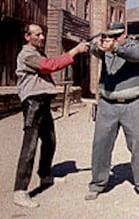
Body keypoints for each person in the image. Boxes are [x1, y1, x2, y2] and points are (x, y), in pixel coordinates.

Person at [13, 23, 90, 208]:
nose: (42, 37)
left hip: (42, 102)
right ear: (27, 36)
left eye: (42, 34)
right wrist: (75, 51)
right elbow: (50, 66)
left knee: (49, 141)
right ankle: (20, 191)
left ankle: (45, 176)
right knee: (29, 146)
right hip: (33, 103)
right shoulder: (28, 54)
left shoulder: (37, 53)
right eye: (37, 35)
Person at [85, 22, 139, 201]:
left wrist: (115, 47)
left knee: (138, 144)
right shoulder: (105, 47)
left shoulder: (135, 44)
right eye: (110, 36)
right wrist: (98, 45)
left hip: (134, 103)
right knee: (101, 144)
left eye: (117, 36)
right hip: (108, 104)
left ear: (125, 33)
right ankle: (97, 183)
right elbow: (93, 49)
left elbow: (137, 55)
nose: (113, 39)